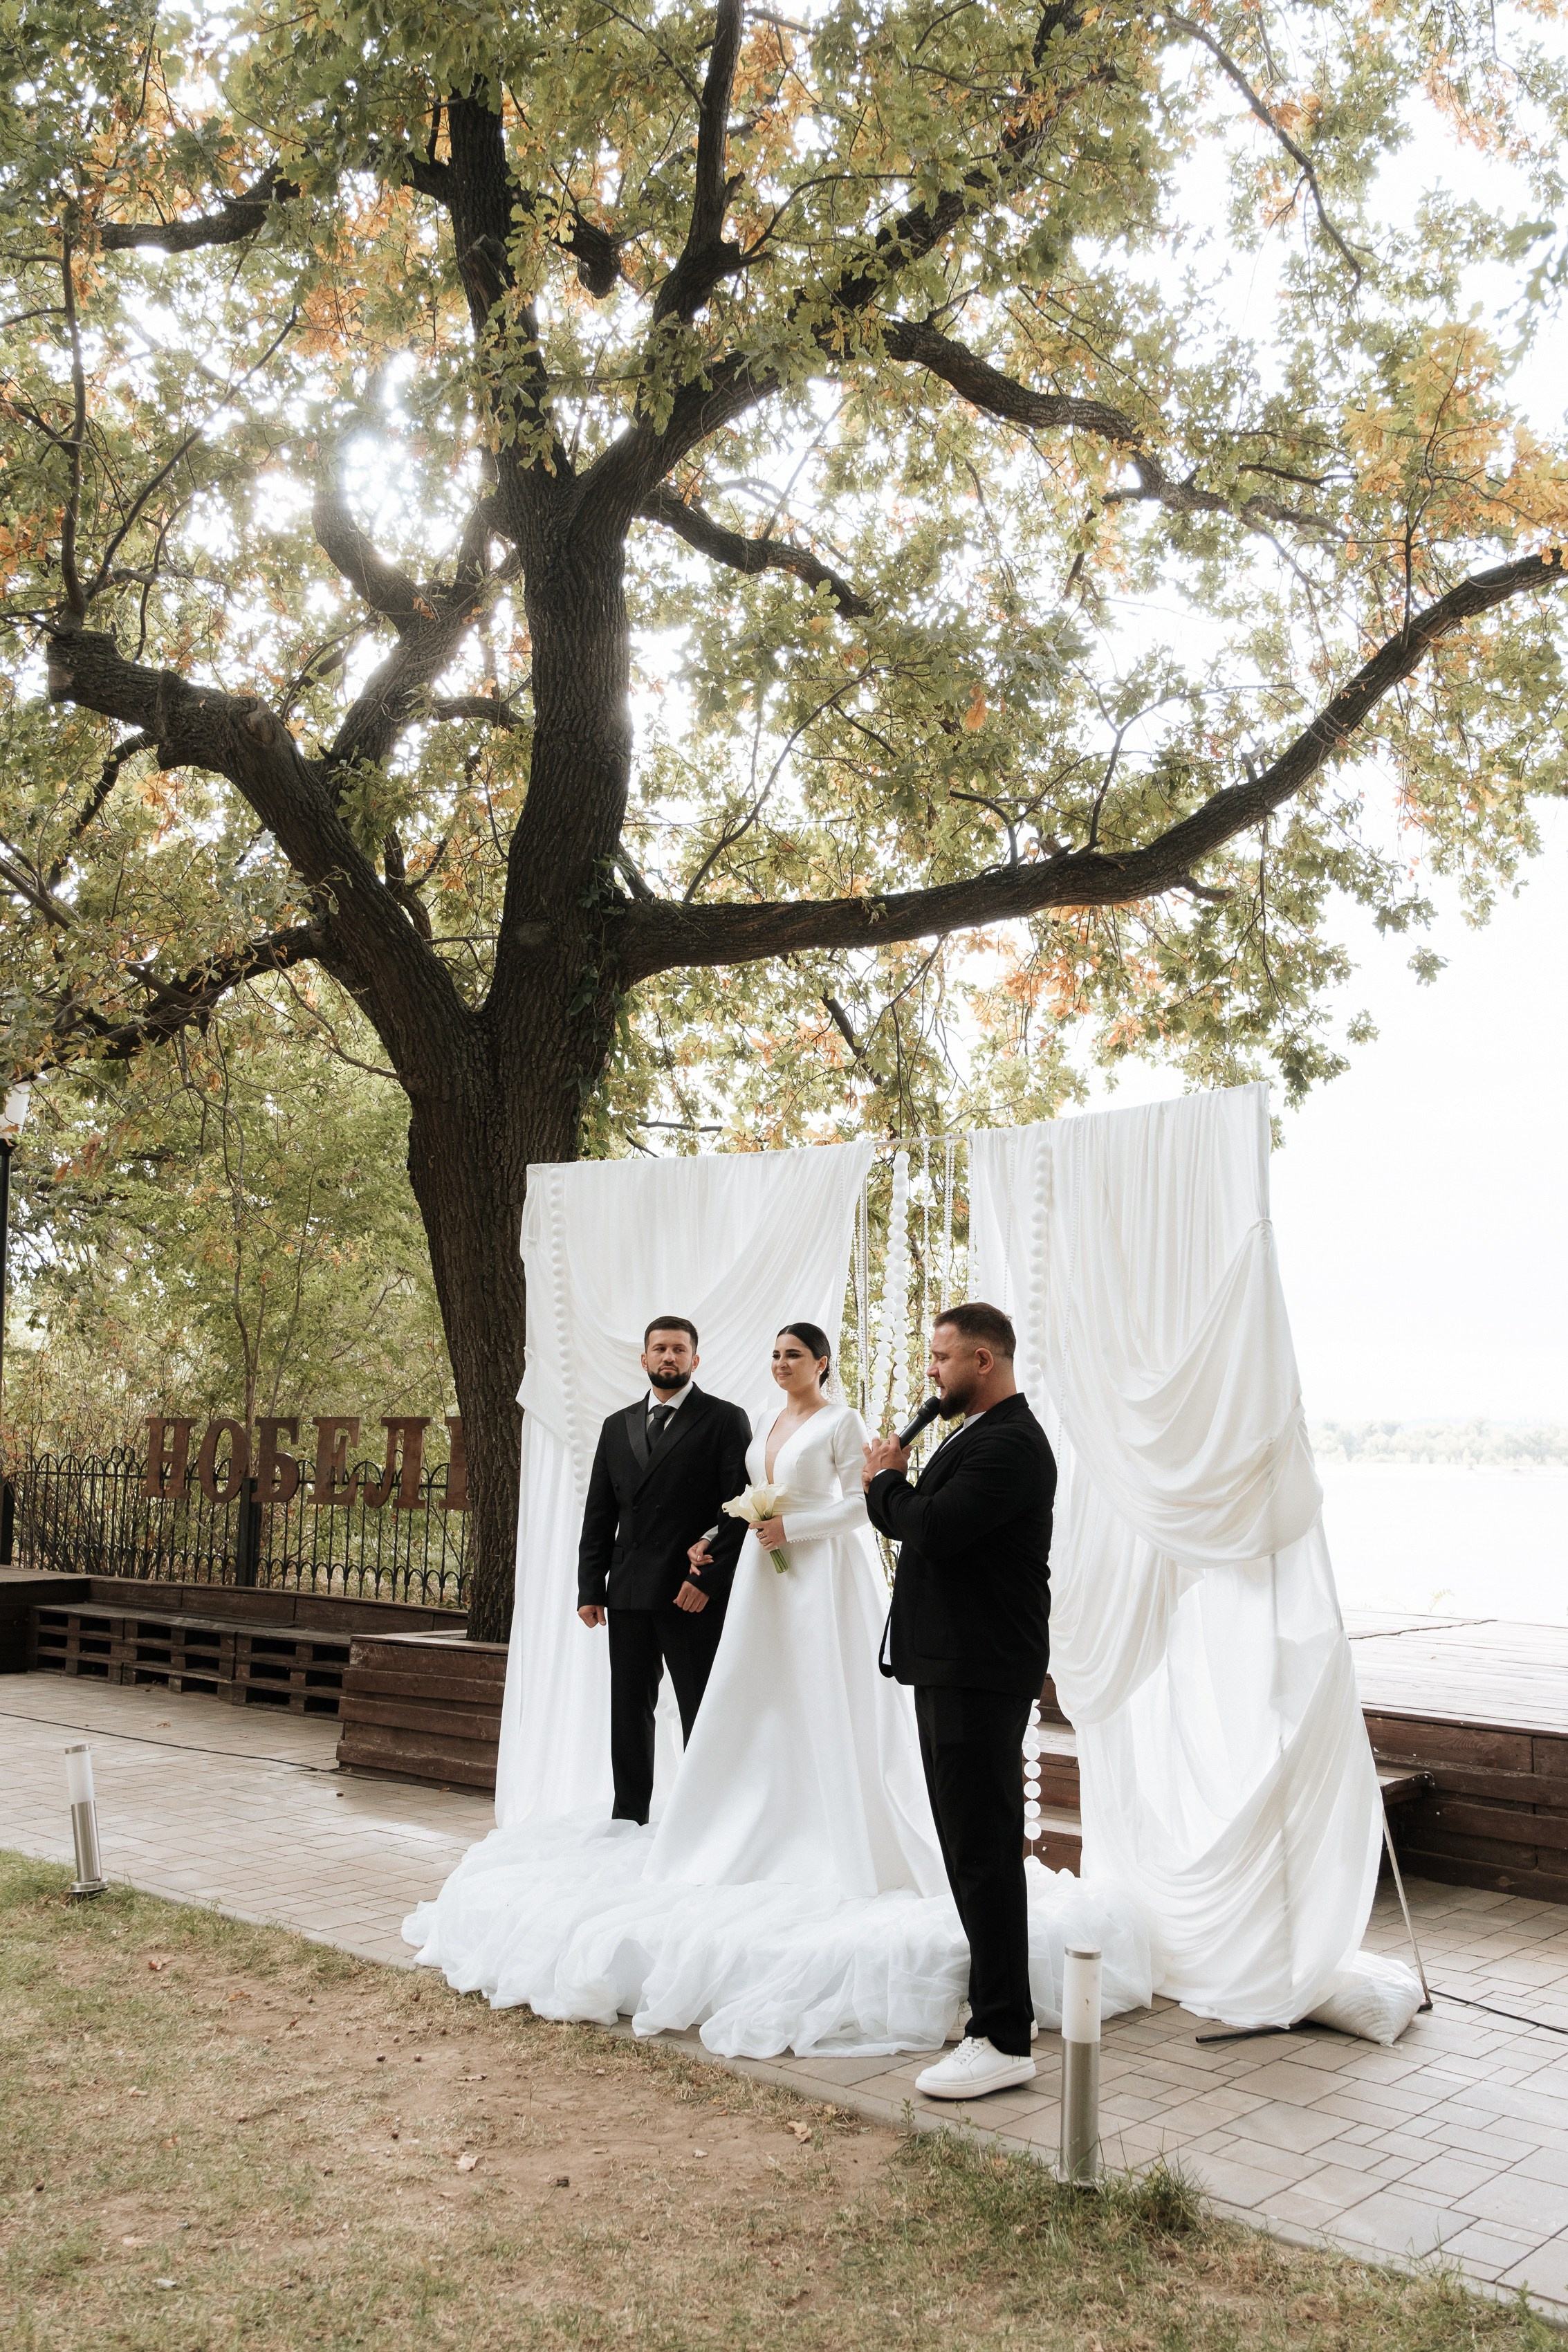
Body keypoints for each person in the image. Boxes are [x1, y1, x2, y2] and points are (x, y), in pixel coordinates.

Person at [647, 1322, 943, 1898]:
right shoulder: (766, 1420)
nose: (782, 1363)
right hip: (764, 1572)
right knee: (761, 1689)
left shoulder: (842, 1421)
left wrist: (794, 1528)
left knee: (818, 1685)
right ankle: (756, 1820)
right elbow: (749, 1497)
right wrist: (713, 1535)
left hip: (818, 1574)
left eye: (795, 1355)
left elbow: (860, 1506)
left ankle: (832, 1834)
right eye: (776, 1354)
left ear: (822, 1362)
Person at [863, 1302, 1055, 2100]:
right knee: (970, 1843)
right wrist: (894, 1485)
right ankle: (1006, 2001)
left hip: (979, 1668)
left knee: (979, 1846)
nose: (930, 1372)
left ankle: (1002, 2035)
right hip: (952, 1664)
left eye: (941, 1357)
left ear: (984, 1360)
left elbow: (931, 1527)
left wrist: (883, 1482)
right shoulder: (975, 1432)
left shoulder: (1011, 1442)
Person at [577, 1316, 751, 1825]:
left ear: (695, 1360)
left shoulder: (723, 1419)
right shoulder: (616, 1425)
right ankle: (628, 1815)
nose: (668, 1357)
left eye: (678, 1349)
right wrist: (592, 1587)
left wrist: (705, 1582)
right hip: (628, 1589)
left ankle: (708, 1819)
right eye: (659, 1349)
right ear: (644, 1358)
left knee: (702, 1707)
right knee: (628, 1710)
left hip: (688, 1591)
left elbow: (736, 1509)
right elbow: (599, 1513)